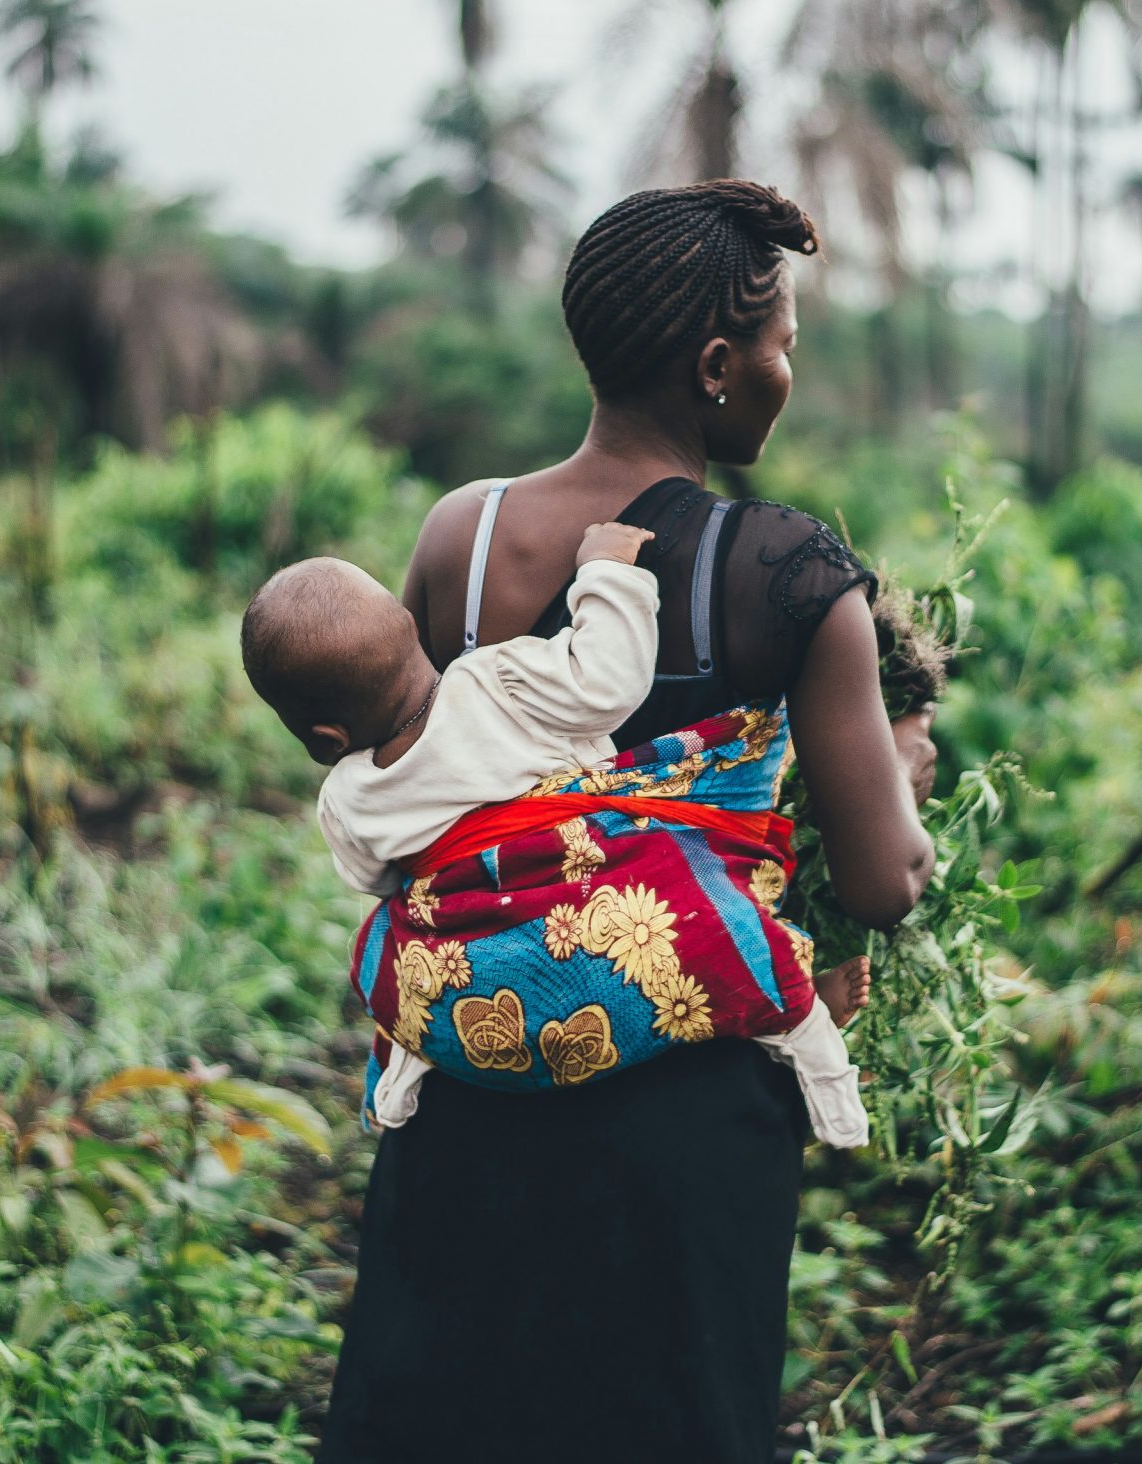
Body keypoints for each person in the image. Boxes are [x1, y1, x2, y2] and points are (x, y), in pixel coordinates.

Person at [316, 180, 936, 1464]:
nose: (784, 372)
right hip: (681, 1124)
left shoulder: (461, 539)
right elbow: (881, 887)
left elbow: (435, 780)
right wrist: (904, 777)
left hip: (471, 1082)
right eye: (780, 347)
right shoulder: (788, 573)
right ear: (718, 365)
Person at [238, 521, 871, 1146]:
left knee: (386, 948)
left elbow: (379, 880)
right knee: (708, 920)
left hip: (476, 976)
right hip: (592, 909)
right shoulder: (496, 680)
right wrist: (606, 571)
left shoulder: (346, 798)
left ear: (324, 740)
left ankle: (407, 1065)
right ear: (409, 628)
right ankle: (808, 1037)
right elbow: (608, 682)